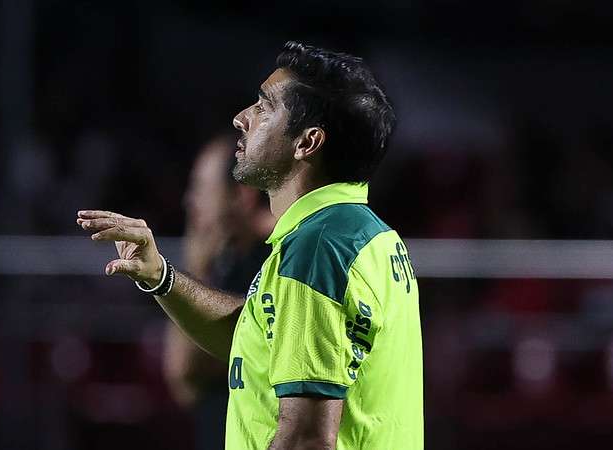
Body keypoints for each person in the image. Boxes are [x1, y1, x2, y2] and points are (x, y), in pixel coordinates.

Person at [77, 41, 423, 449]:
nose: (242, 118)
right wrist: (161, 277)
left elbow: (306, 439)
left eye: (264, 107)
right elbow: (255, 337)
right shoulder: (362, 234)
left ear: (307, 142)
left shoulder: (318, 249)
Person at [163, 135, 273, 449]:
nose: (190, 200)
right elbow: (185, 387)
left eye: (201, 186)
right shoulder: (229, 261)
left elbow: (182, 370)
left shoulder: (276, 261)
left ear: (243, 194)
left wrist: (193, 267)